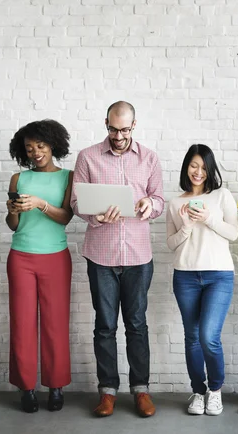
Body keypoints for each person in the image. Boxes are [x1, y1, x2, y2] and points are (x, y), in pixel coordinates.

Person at [71, 101, 164, 418]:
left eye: (124, 130)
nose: (118, 135)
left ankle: (141, 390)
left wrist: (149, 205)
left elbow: (161, 199)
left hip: (139, 255)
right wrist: (94, 215)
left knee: (137, 325)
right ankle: (107, 391)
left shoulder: (149, 158)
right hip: (101, 256)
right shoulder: (87, 157)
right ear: (105, 124)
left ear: (134, 126)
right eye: (113, 129)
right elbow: (75, 203)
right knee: (105, 326)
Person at [5, 120, 74, 413]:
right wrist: (12, 212)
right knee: (22, 324)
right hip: (20, 257)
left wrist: (41, 204)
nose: (35, 153)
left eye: (41, 146)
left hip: (55, 258)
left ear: (53, 145)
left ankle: (55, 387)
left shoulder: (68, 177)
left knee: (55, 324)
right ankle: (26, 388)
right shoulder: (17, 179)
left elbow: (66, 217)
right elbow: (13, 226)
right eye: (30, 148)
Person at [166, 144, 238, 416]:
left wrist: (208, 219)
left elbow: (233, 233)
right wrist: (186, 226)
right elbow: (171, 243)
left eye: (203, 167)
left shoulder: (221, 196)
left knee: (209, 337)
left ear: (210, 170)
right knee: (192, 338)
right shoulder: (175, 203)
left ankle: (215, 390)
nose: (198, 172)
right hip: (184, 276)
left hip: (218, 275)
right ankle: (198, 391)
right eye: (194, 166)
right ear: (187, 167)